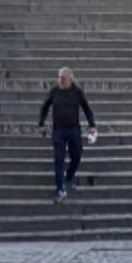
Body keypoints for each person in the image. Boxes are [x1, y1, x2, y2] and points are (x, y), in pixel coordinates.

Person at [38, 66, 97, 199]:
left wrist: (91, 125)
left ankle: (68, 176)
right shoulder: (54, 91)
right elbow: (45, 107)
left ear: (70, 79)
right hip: (58, 130)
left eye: (63, 79)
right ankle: (60, 188)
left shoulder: (77, 92)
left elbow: (87, 109)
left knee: (77, 155)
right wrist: (41, 123)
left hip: (73, 129)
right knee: (59, 158)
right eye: (59, 78)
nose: (60, 81)